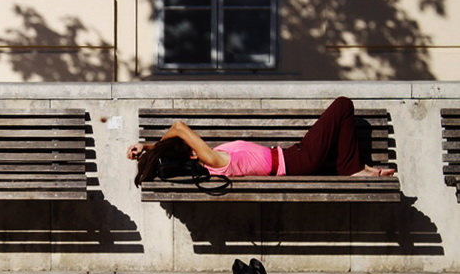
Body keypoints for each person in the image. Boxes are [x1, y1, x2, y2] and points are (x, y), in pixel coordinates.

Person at [127, 96, 395, 185]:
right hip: (297, 161)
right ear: (193, 155)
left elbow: (180, 135)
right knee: (343, 105)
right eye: (194, 148)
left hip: (294, 157)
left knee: (336, 147)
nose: (199, 146)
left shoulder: (212, 160)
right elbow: (179, 127)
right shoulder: (213, 162)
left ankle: (361, 168)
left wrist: (149, 147)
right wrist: (153, 145)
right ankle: (355, 168)